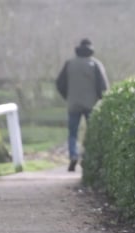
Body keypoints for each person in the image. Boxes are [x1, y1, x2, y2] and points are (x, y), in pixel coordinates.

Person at [56, 38, 109, 172]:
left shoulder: (69, 64)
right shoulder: (95, 64)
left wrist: (67, 96)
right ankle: (88, 158)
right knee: (91, 132)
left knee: (73, 132)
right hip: (91, 104)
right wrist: (100, 99)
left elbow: (59, 83)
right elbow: (103, 86)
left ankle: (73, 155)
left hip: (73, 103)